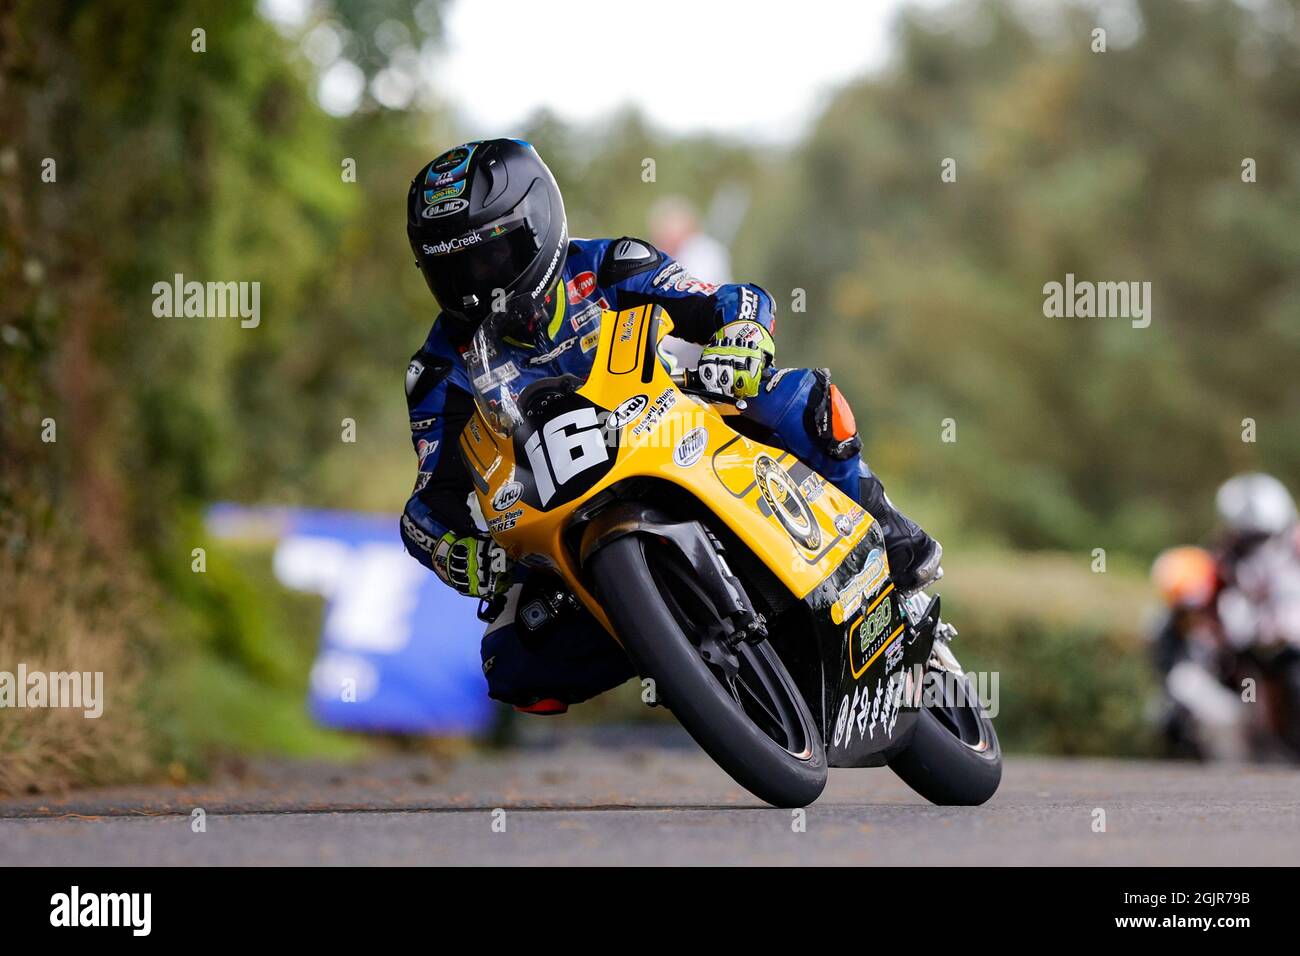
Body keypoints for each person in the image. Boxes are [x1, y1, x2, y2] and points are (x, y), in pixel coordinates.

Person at [400, 138, 941, 713]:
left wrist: (742, 337)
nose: (477, 284)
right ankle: (669, 645)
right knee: (512, 665)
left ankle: (888, 529)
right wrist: (449, 547)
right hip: (556, 509)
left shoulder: (609, 265)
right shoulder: (438, 369)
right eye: (451, 269)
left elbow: (731, 300)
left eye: (491, 257)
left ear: (539, 223)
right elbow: (429, 503)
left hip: (671, 426)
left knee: (797, 400)